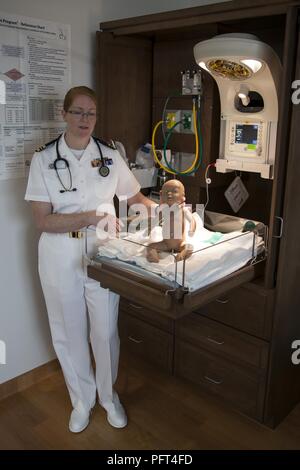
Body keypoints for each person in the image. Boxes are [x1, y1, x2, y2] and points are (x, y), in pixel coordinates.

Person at [25, 86, 157, 433]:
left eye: (91, 113)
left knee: (105, 332)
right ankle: (81, 402)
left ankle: (108, 397)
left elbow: (135, 197)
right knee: (69, 333)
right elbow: (42, 220)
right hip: (59, 255)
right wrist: (87, 216)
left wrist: (173, 210)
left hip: (103, 254)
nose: (85, 120)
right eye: (78, 112)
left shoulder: (110, 155)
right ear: (64, 113)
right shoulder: (43, 159)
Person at [146, 179, 196, 263]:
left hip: (180, 244)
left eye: (174, 191)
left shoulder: (183, 210)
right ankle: (153, 255)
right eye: (166, 192)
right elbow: (156, 219)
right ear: (161, 195)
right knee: (150, 246)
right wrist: (150, 227)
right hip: (166, 243)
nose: (169, 194)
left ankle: (182, 254)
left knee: (189, 247)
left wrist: (192, 229)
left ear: (182, 196)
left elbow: (192, 220)